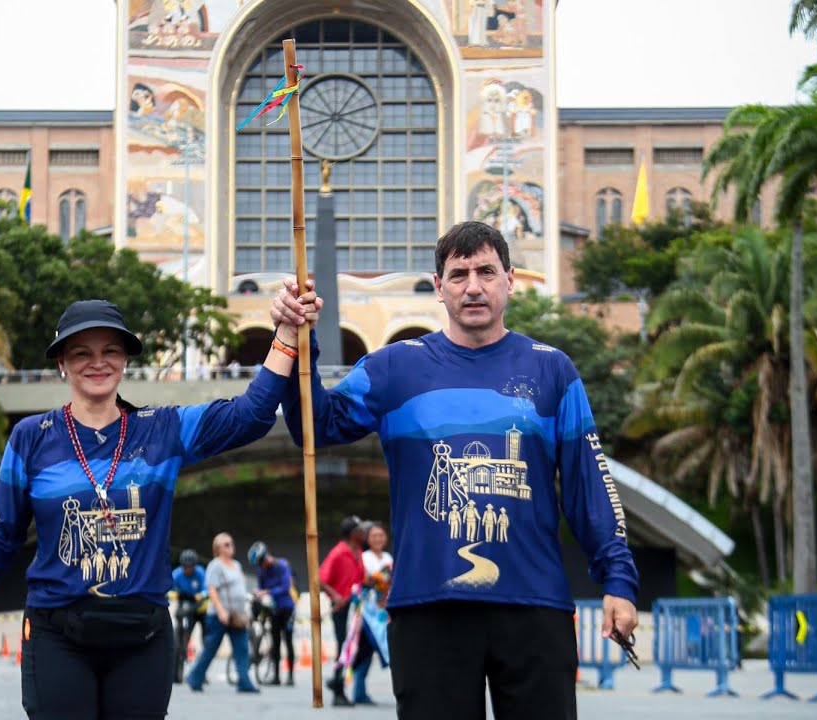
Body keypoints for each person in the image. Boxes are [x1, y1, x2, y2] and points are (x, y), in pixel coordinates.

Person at [273, 221, 640, 720]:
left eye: (486, 272)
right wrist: (300, 342)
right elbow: (314, 427)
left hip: (534, 607)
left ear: (509, 281)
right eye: (459, 274)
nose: (473, 286)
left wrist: (617, 580)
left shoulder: (552, 370)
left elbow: (588, 487)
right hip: (428, 609)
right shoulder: (392, 368)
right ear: (438, 286)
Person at [0, 294, 317, 719]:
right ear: (61, 362)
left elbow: (252, 415)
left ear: (124, 361)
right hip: (56, 635)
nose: (97, 362)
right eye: (81, 353)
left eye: (110, 351)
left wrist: (285, 332)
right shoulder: (31, 438)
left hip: (143, 637)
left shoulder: (162, 430)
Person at [185, 533, 258, 693]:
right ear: (218, 548)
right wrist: (221, 612)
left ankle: (244, 681)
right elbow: (212, 590)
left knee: (242, 648)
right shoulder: (215, 565)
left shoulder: (236, 565)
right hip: (220, 615)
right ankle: (194, 677)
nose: (230, 546)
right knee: (211, 647)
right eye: (226, 544)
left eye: (231, 543)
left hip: (237, 615)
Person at [317, 515, 367, 706]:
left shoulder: (359, 552)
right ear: (352, 533)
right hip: (341, 607)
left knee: (361, 647)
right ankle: (339, 691)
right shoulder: (338, 552)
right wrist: (336, 595)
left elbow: (360, 579)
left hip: (355, 607)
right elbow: (320, 579)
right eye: (360, 530)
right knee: (344, 647)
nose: (363, 533)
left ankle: (336, 682)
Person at [350, 521, 395, 705]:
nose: (378, 539)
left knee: (372, 650)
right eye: (374, 536)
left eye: (381, 535)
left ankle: (359, 690)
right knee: (363, 649)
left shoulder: (389, 558)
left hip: (382, 610)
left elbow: (391, 581)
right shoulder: (364, 557)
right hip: (366, 611)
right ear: (368, 539)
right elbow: (361, 580)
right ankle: (358, 691)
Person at [249, 540, 296, 686]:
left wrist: (268, 591)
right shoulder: (261, 570)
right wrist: (258, 593)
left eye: (261, 562)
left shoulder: (281, 565)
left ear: (266, 557)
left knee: (288, 640)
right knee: (275, 642)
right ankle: (276, 676)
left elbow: (285, 586)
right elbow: (261, 587)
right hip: (273, 609)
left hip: (287, 608)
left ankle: (290, 675)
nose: (261, 566)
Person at [171, 548, 207, 683]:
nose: (188, 570)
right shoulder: (177, 574)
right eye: (185, 567)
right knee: (184, 635)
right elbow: (168, 590)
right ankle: (181, 652)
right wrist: (177, 595)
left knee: (206, 638)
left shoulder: (200, 572)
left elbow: (206, 589)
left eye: (190, 567)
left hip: (200, 608)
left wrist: (200, 596)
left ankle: (203, 671)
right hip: (186, 608)